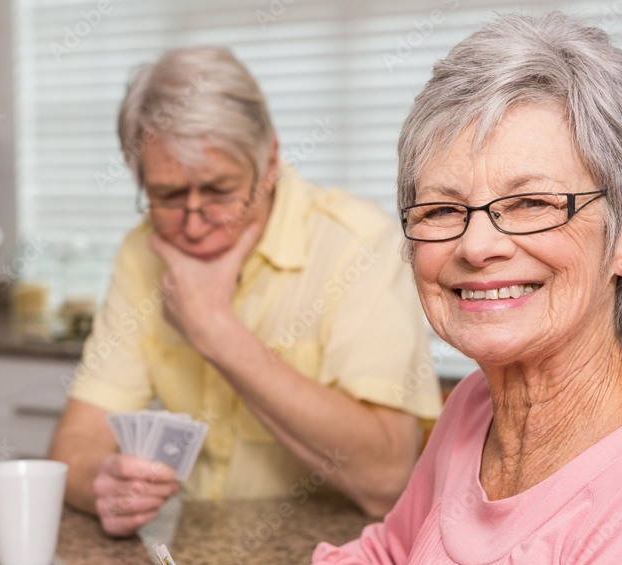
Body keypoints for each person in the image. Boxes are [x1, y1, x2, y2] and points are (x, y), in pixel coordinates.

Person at [156, 12, 622, 565]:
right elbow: (394, 560)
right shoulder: (476, 406)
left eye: (531, 203)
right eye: (443, 209)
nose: (476, 245)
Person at [49, 47, 442, 537]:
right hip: (198, 557)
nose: (194, 223)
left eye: (218, 191)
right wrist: (100, 483)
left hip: (328, 564)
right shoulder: (143, 252)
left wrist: (214, 330)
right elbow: (75, 443)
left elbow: (386, 477)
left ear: (270, 160)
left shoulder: (358, 244)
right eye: (167, 196)